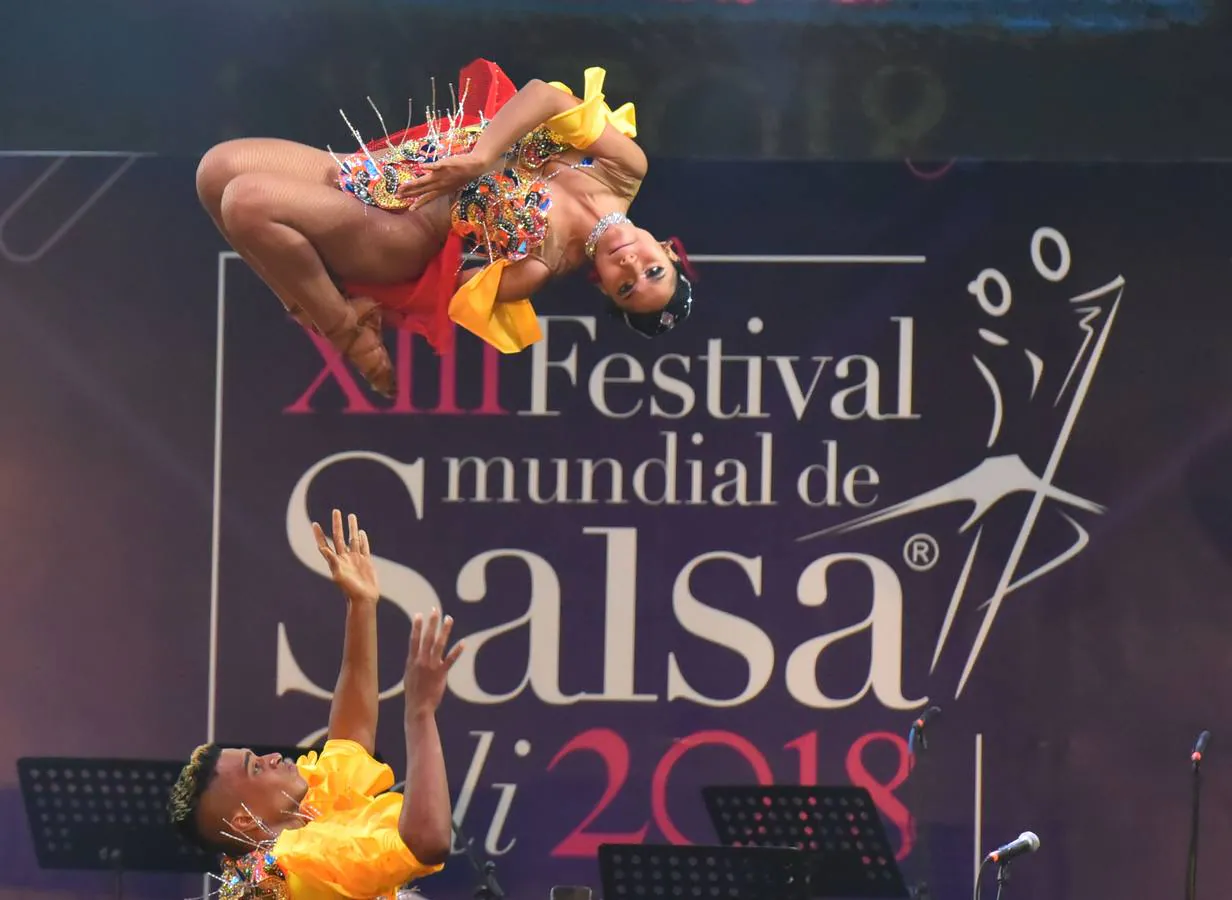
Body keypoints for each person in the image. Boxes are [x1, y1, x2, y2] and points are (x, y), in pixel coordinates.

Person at [196, 59, 697, 397]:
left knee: (247, 203)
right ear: (668, 252)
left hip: (398, 229)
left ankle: (344, 330)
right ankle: (310, 304)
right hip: (395, 167)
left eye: (627, 288)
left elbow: (447, 290)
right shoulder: (625, 167)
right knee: (216, 171)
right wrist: (478, 158)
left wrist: (482, 228)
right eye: (655, 271)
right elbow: (543, 97)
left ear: (607, 289)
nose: (632, 267)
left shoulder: (542, 265)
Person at [168, 510, 464, 900]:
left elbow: (350, 741)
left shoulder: (290, 835)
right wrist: (420, 713)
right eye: (255, 767)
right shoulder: (303, 861)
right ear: (243, 821)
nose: (272, 756)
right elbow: (427, 841)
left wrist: (361, 605)